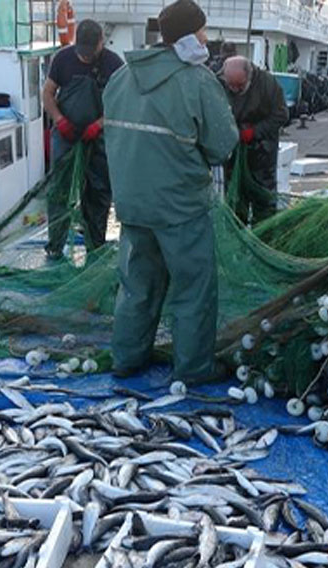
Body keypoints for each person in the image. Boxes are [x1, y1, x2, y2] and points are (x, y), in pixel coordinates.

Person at [103, 0, 238, 383]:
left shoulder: (121, 78)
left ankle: (127, 358)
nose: (206, 38)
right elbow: (222, 145)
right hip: (180, 207)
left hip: (131, 205)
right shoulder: (196, 81)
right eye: (203, 31)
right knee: (193, 289)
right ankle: (194, 369)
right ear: (191, 35)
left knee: (136, 286)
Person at [41, 18, 124, 260]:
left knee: (97, 191)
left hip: (98, 138)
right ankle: (55, 244)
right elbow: (47, 93)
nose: (86, 57)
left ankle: (94, 245)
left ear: (101, 42)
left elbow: (121, 103)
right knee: (59, 189)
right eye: (82, 52)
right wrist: (59, 119)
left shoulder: (114, 64)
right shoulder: (63, 59)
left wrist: (100, 124)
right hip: (65, 135)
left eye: (91, 52)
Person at [220, 56, 289, 225]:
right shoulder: (218, 82)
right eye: (231, 86)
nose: (235, 90)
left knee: (264, 202)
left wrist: (254, 132)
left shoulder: (268, 83)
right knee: (235, 201)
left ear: (250, 76)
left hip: (261, 153)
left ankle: (264, 237)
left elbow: (281, 115)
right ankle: (238, 238)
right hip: (233, 154)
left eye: (240, 86)